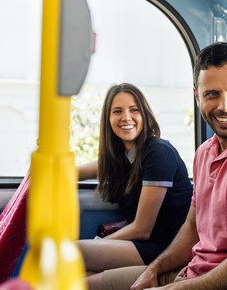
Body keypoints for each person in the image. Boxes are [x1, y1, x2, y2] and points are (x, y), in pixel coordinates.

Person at [96, 42, 227, 290]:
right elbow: (192, 228)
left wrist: (177, 288)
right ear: (197, 96)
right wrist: (154, 269)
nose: (224, 106)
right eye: (212, 94)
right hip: (189, 273)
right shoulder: (204, 153)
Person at [77, 83, 193, 287]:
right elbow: (73, 172)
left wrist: (99, 244)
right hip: (144, 245)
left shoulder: (158, 152)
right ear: (108, 119)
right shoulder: (121, 159)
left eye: (133, 110)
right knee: (76, 277)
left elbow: (142, 229)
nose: (126, 117)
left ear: (145, 115)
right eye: (117, 111)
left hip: (169, 248)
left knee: (73, 252)